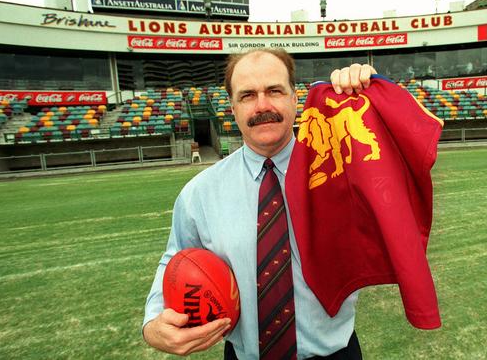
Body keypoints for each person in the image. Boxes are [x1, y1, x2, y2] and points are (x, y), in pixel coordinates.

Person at [143, 48, 377, 359]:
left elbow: (399, 178)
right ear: (232, 107)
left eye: (275, 91)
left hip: (336, 353)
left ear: (296, 98)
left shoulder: (343, 172)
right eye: (248, 95)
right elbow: (175, 258)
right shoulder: (199, 193)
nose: (262, 106)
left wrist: (372, 94)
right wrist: (153, 322)